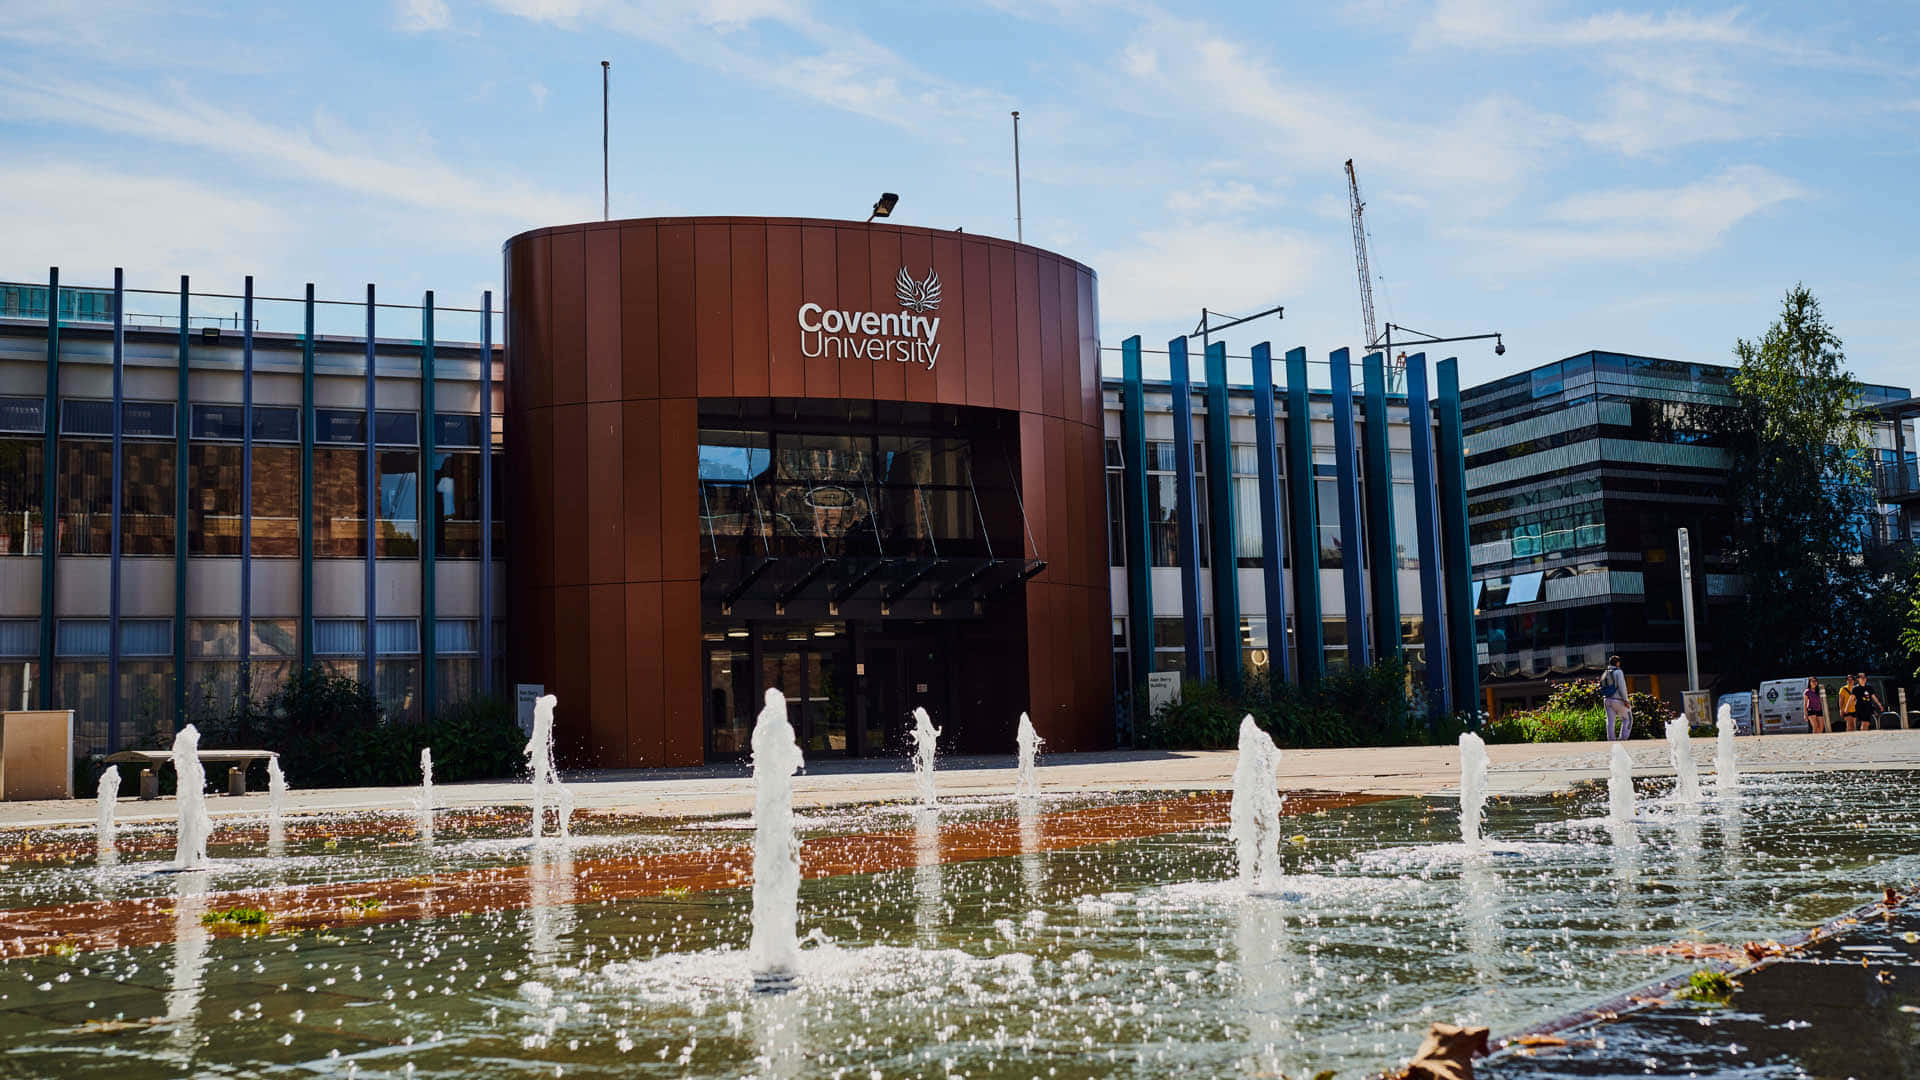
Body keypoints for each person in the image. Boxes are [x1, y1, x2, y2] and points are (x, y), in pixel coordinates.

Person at [1600, 655, 1632, 741]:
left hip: (1607, 699)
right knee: (1628, 718)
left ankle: (1611, 740)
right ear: (1617, 663)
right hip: (1618, 700)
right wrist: (1626, 700)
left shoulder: (1605, 672)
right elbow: (1622, 687)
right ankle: (1623, 739)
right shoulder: (1618, 672)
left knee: (1610, 721)